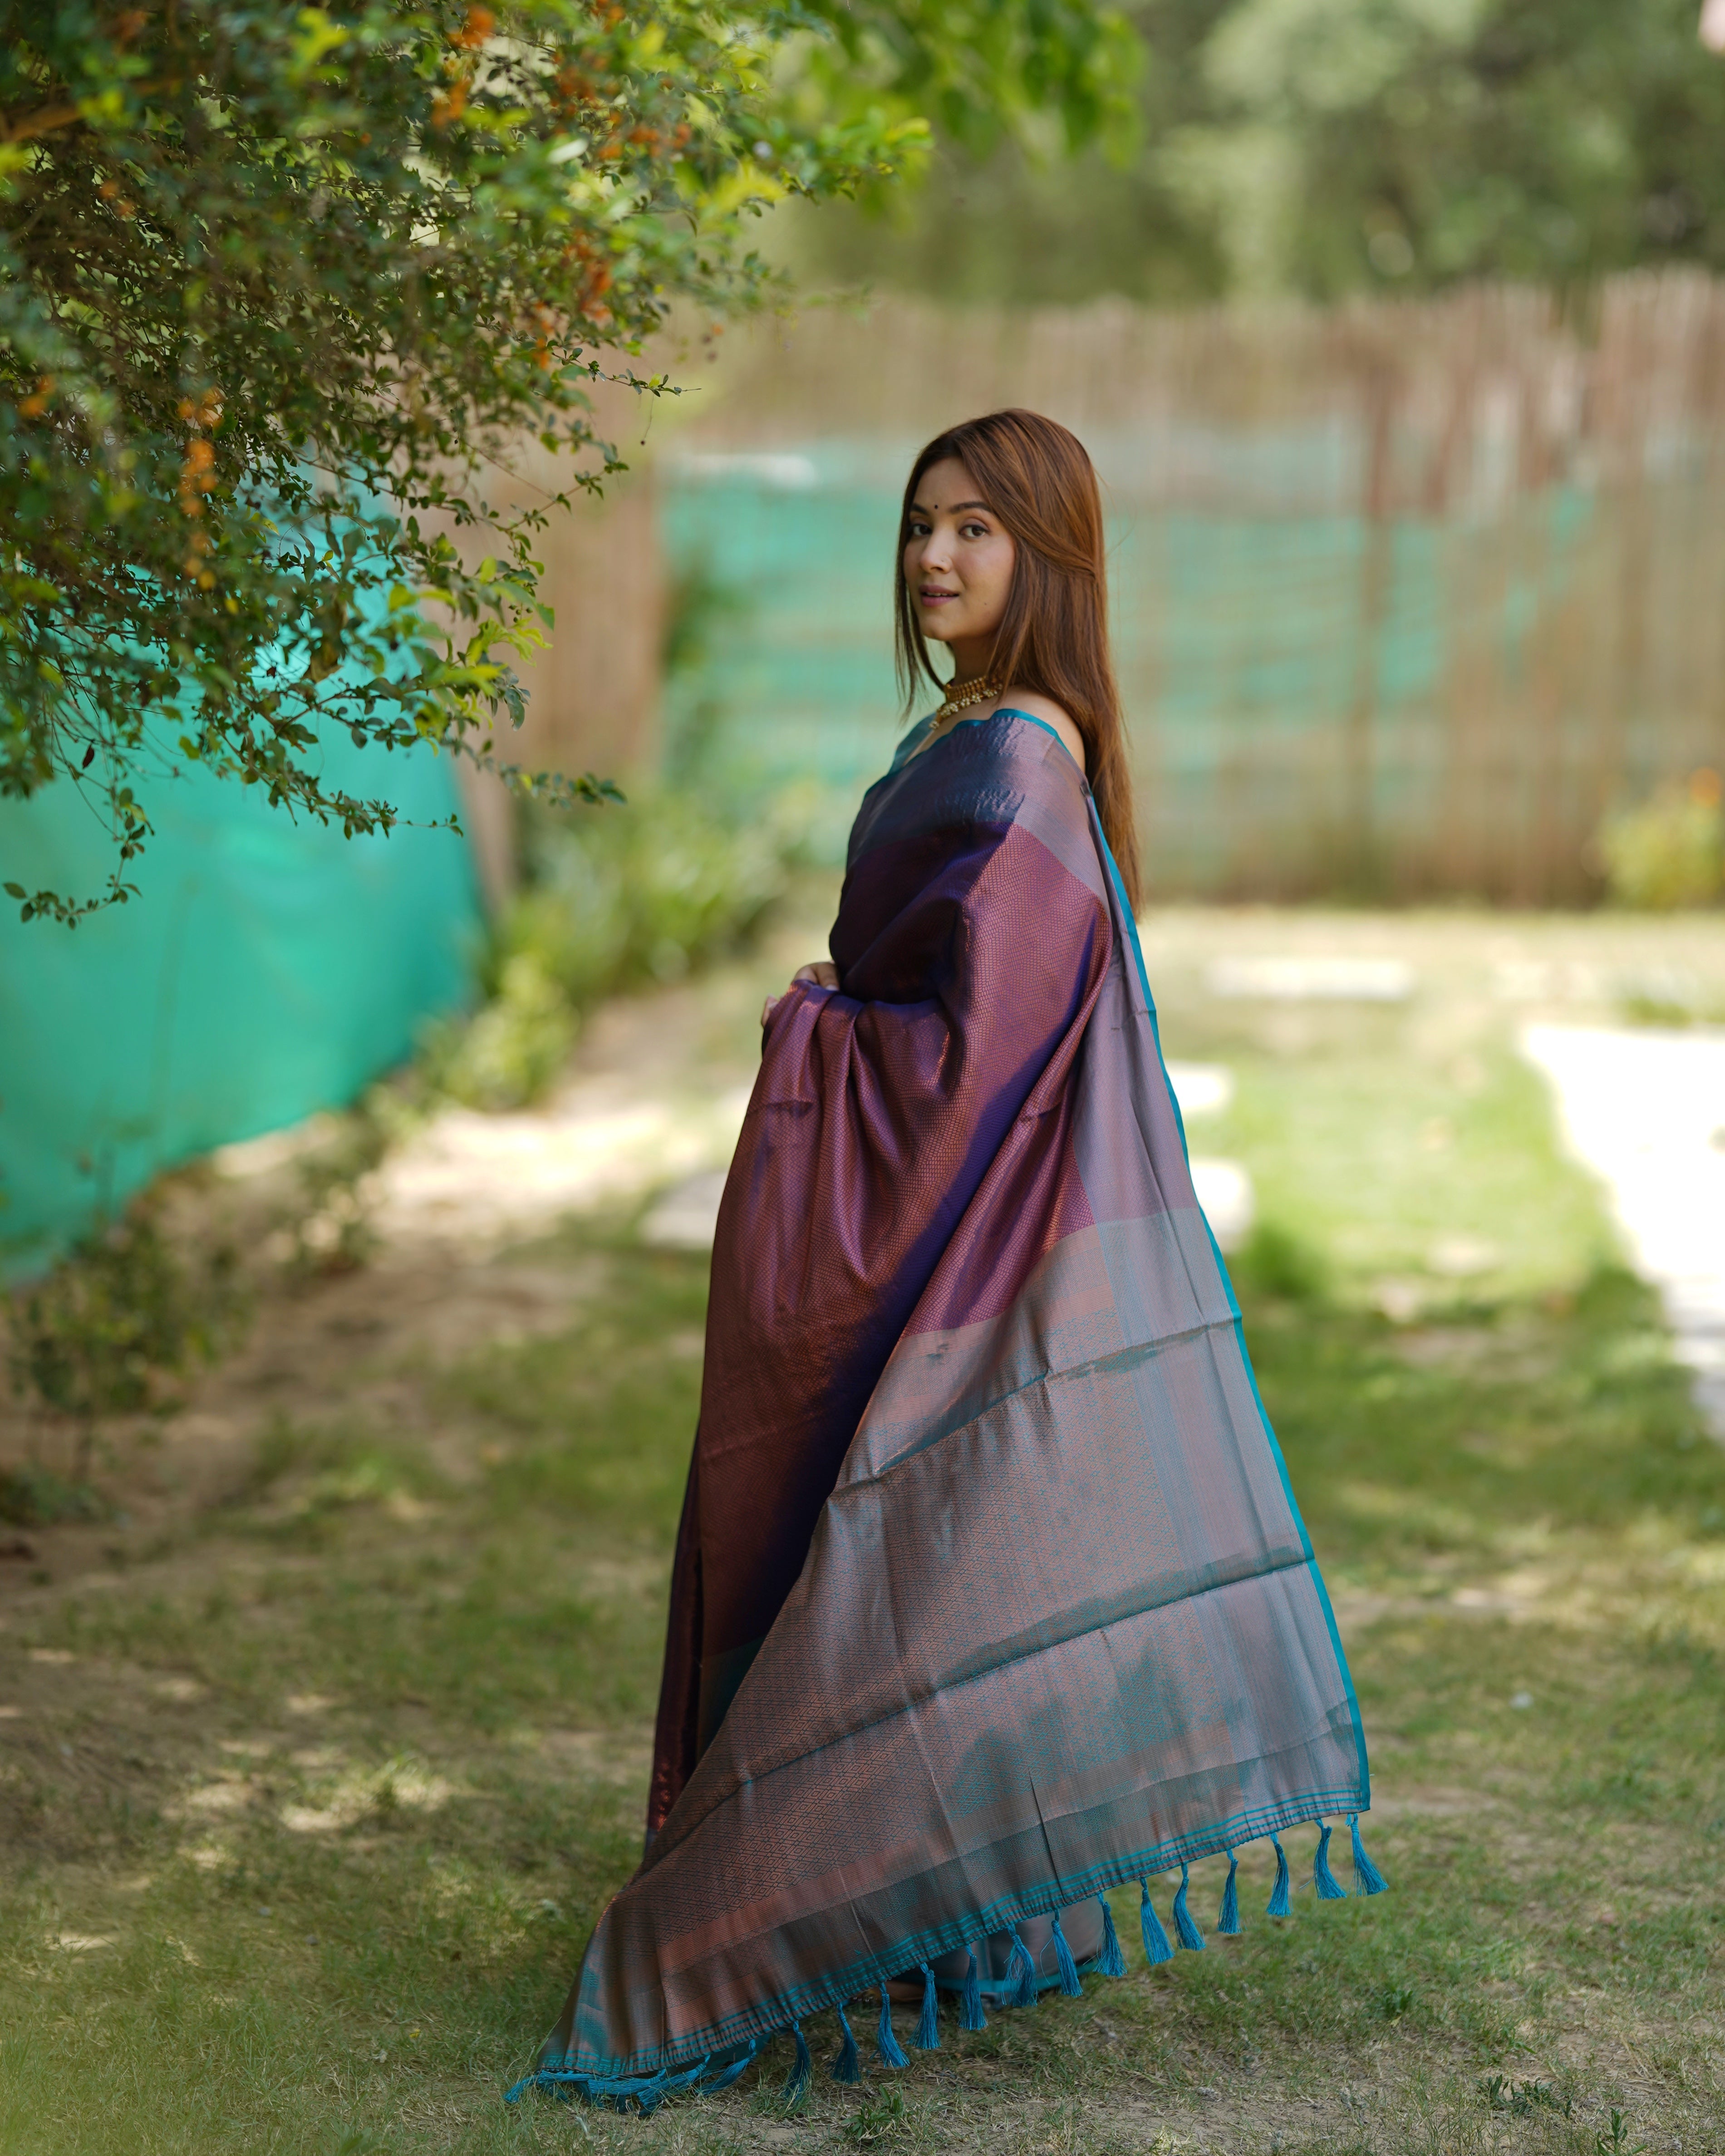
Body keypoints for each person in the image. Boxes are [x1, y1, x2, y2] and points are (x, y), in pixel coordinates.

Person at [511, 409, 1383, 2112]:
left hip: (926, 1219)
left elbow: (979, 1058)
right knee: (850, 1552)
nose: (933, 556)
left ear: (1048, 554)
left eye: (977, 529)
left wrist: (821, 1035)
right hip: (881, 1205)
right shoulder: (971, 729)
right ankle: (880, 1903)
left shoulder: (1022, 759)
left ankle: (825, 1913)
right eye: (921, 524)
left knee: (882, 1564)